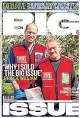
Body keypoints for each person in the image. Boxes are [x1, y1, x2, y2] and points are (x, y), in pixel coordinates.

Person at [6, 23, 46, 100]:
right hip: (20, 91)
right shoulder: (14, 48)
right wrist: (15, 85)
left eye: (34, 33)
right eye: (29, 32)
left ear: (36, 34)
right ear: (25, 32)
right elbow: (8, 69)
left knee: (36, 112)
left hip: (37, 90)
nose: (31, 35)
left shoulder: (42, 49)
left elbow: (46, 68)